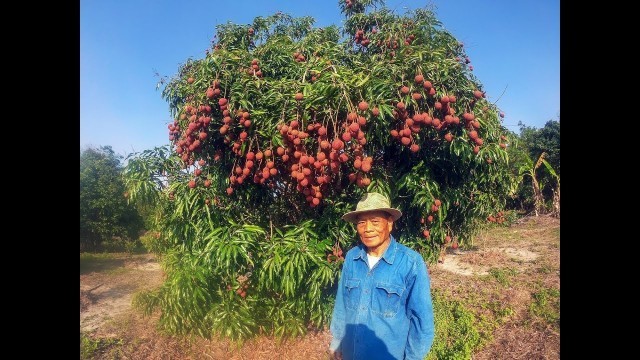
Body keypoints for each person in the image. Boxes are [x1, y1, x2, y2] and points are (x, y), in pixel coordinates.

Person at [329, 192, 435, 360]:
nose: (368, 229)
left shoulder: (410, 263)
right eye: (361, 223)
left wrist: (413, 358)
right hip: (351, 353)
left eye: (375, 221)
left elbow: (422, 321)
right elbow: (342, 302)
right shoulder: (352, 258)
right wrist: (337, 340)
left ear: (390, 223)